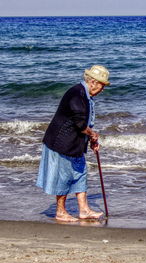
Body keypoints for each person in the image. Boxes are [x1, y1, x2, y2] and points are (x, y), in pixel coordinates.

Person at [37, 65, 110, 222]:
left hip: (74, 143)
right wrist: (93, 135)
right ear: (92, 82)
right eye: (102, 85)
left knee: (80, 174)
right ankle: (60, 212)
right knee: (64, 177)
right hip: (61, 142)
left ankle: (84, 210)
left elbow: (84, 123)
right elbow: (80, 124)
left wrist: (91, 140)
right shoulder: (77, 94)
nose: (103, 89)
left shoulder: (85, 95)